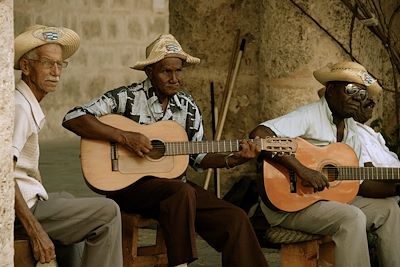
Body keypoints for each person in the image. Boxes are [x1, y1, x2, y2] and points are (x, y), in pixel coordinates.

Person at [62, 34, 269, 267]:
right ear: (149, 72)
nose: (174, 78)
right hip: (128, 185)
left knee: (236, 219)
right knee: (181, 192)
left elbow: (198, 157)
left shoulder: (187, 106)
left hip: (174, 189)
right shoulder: (127, 97)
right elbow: (74, 117)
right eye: (166, 72)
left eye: (178, 71)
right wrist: (125, 137)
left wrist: (234, 159)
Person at [250, 61, 400, 267]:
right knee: (351, 217)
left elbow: (359, 182)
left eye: (363, 94)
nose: (358, 98)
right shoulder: (308, 115)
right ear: (330, 89)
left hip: (326, 202)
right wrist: (302, 170)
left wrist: (395, 185)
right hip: (290, 205)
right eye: (351, 89)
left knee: (390, 209)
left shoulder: (351, 130)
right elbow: (260, 135)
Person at [13, 25, 123, 267]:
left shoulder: (25, 102)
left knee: (68, 199)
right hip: (20, 211)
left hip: (32, 199)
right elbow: (3, 175)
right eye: (47, 64)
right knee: (108, 212)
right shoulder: (19, 107)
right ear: (26, 67)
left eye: (60, 64)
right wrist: (36, 231)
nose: (56, 72)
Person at [353, 97, 400, 168]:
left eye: (372, 105)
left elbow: (389, 155)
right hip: (385, 176)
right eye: (368, 105)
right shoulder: (353, 131)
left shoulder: (369, 131)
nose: (371, 108)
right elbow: (368, 167)